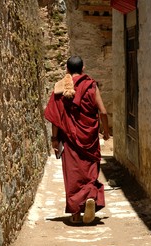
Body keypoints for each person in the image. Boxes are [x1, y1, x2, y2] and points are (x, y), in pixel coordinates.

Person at [44, 56, 110, 224]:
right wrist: (107, 132)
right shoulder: (91, 86)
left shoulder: (60, 88)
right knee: (89, 171)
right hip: (89, 138)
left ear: (66, 69)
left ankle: (75, 213)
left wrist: (54, 140)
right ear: (83, 68)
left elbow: (56, 119)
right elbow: (102, 111)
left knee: (72, 174)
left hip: (69, 140)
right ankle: (89, 196)